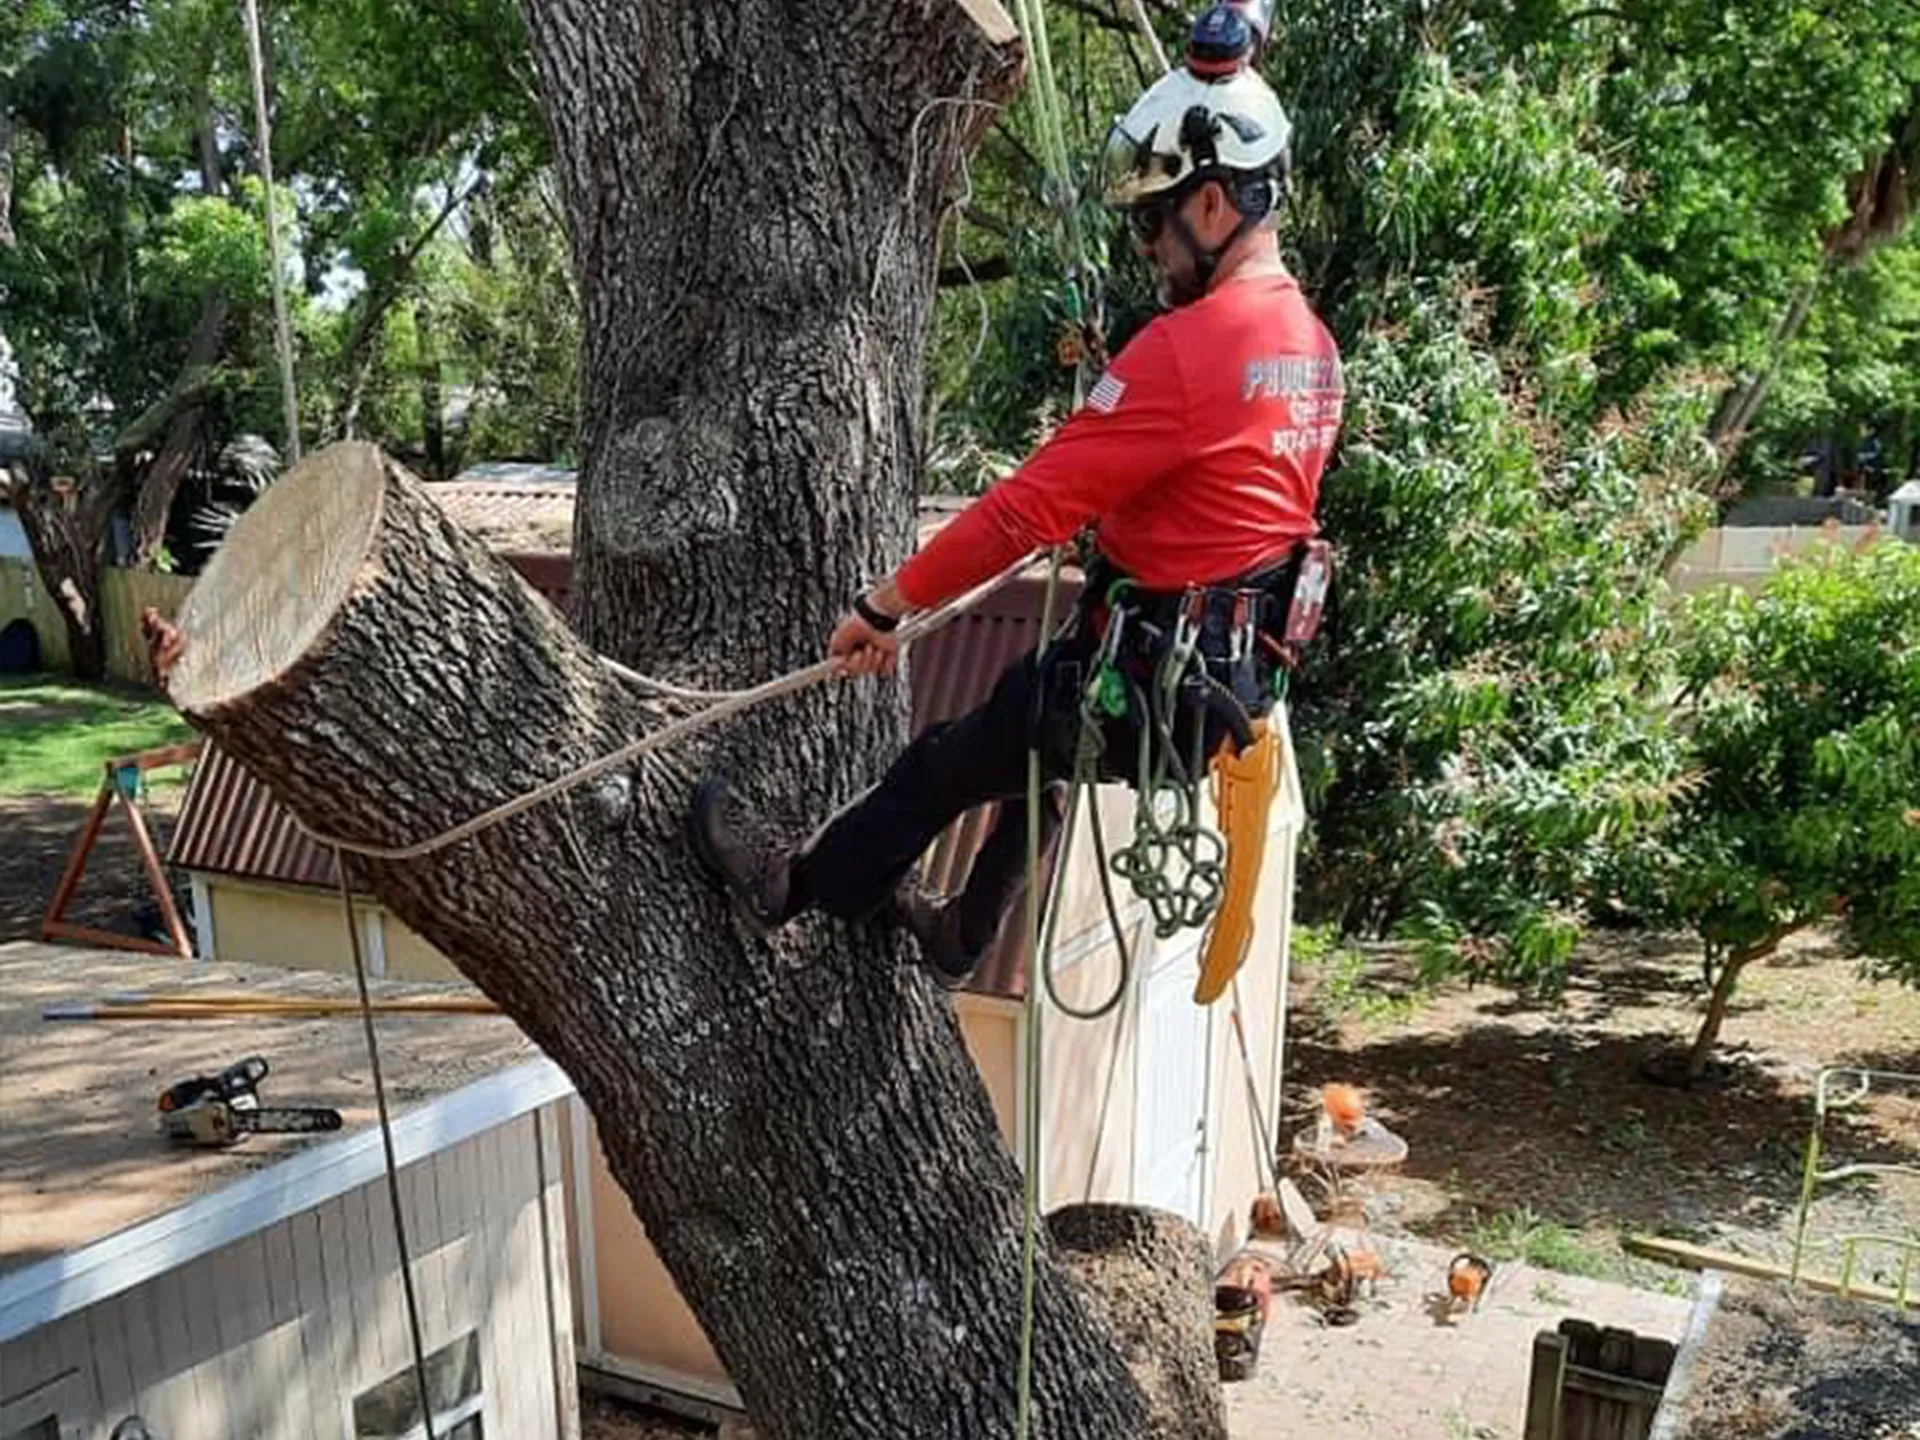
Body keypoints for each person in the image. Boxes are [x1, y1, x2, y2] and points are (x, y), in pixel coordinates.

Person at [690, 34, 1344, 988]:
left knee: (940, 767)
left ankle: (789, 891)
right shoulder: (1311, 347)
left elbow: (1019, 514)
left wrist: (887, 606)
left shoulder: (1189, 350)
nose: (1148, 248)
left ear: (1213, 201)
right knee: (1036, 742)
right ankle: (964, 934)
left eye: (1156, 223)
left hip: (1147, 676)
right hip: (1225, 687)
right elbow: (1224, 502)